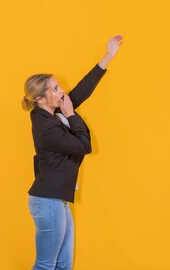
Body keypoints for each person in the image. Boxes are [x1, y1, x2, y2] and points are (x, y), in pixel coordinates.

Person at [21, 35, 123, 269]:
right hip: (48, 201)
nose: (62, 91)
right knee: (46, 265)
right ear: (41, 99)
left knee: (63, 265)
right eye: (55, 89)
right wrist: (71, 115)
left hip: (56, 200)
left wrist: (107, 56)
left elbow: (80, 91)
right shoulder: (47, 128)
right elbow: (84, 146)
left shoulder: (49, 113)